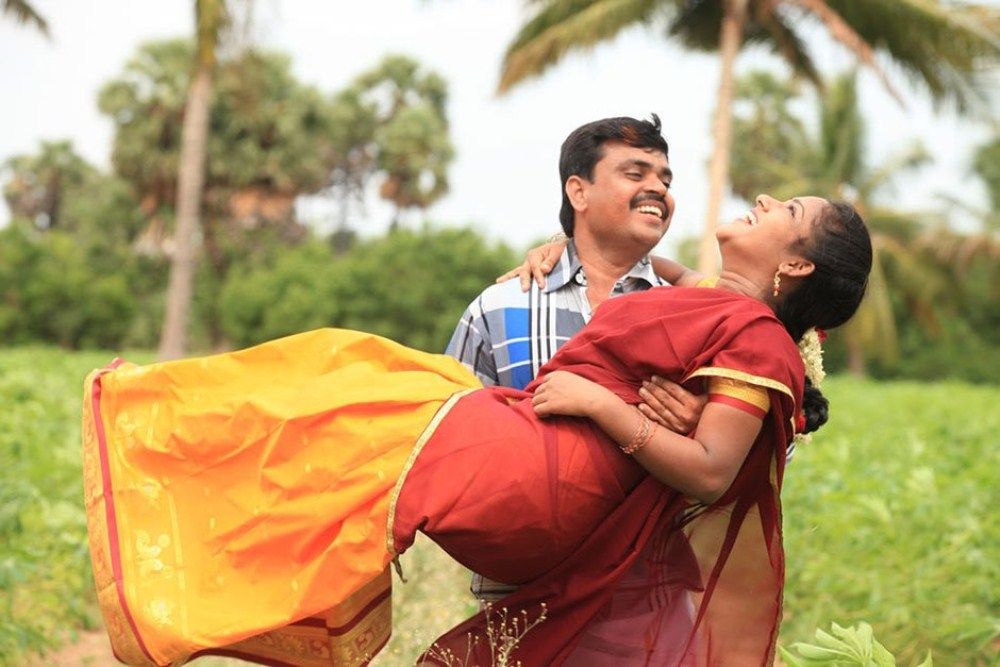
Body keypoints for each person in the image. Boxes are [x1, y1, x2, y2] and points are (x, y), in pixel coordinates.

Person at [82, 193, 872, 666]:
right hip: (539, 440)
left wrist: (607, 409)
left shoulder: (759, 341)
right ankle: (178, 517)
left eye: (788, 211)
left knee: (358, 396)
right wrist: (562, 245)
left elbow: (710, 469)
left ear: (798, 264)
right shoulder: (718, 300)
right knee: (354, 375)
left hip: (555, 467)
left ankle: (159, 460)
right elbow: (671, 282)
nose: (764, 200)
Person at [445, 115, 706, 606]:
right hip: (520, 600)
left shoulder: (698, 316)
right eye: (636, 173)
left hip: (649, 603)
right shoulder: (500, 309)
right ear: (578, 192)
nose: (657, 188)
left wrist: (706, 426)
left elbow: (764, 454)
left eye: (666, 179)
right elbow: (446, 445)